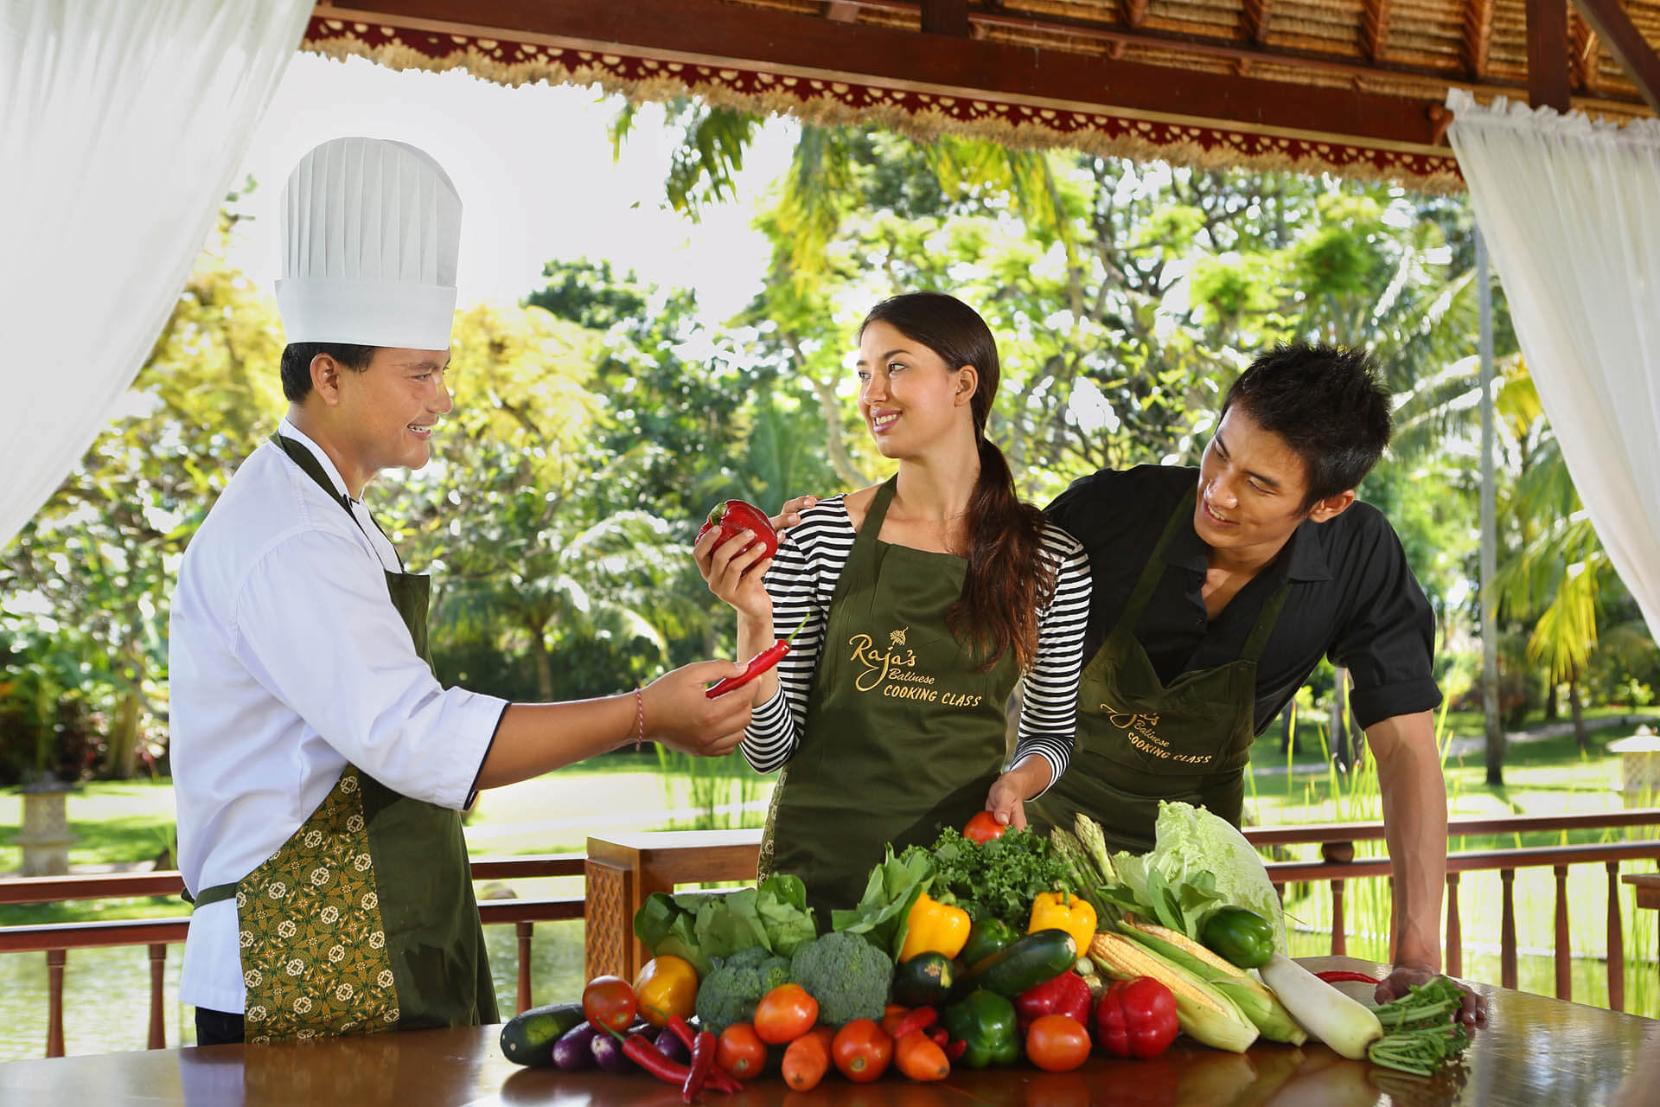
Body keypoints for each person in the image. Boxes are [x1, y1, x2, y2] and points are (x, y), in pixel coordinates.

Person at [169, 137, 753, 1046]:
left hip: (383, 932)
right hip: (304, 963)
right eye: (420, 372)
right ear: (329, 373)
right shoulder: (290, 535)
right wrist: (642, 712)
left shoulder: (338, 514)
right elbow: (417, 736)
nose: (442, 398)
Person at [1027, 342, 1480, 1019]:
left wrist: (1417, 956)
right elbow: (970, 635)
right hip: (1032, 854)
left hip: (1190, 893)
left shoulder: (1360, 558)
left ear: (1329, 503)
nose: (1218, 491)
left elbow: (1406, 748)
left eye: (1260, 484)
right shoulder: (1107, 512)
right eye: (1219, 452)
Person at [695, 292, 1091, 919]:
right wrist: (754, 616)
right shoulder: (820, 536)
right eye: (863, 372)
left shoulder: (1050, 560)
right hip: (818, 886)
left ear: (964, 384)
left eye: (896, 366)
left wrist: (1017, 781)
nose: (872, 393)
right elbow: (767, 751)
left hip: (959, 889)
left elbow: (1051, 735)